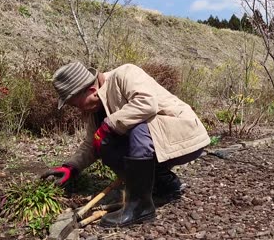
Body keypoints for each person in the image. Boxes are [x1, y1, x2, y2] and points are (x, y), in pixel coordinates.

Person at [41, 62, 210, 227]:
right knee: (105, 144)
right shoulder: (96, 108)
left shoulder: (125, 74)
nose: (79, 110)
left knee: (136, 124)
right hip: (159, 144)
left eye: (76, 104)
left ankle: (140, 207)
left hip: (184, 135)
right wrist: (71, 167)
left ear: (92, 91)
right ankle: (164, 183)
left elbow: (147, 105)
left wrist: (108, 126)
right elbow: (92, 143)